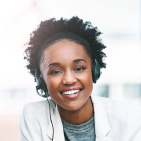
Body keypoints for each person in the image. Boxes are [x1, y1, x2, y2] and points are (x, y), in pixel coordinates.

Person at [19, 16, 141, 141]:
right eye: (55, 71)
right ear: (41, 78)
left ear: (94, 70)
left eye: (79, 68)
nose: (69, 80)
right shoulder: (33, 115)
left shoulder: (131, 119)